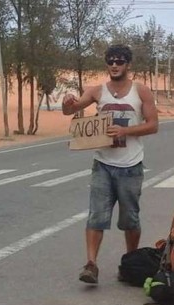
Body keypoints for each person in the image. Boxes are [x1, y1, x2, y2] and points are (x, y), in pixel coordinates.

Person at [61, 44, 159, 284]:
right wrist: (67, 102)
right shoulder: (97, 91)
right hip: (102, 165)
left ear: (128, 64)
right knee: (96, 216)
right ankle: (91, 264)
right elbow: (70, 111)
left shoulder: (141, 91)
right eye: (110, 61)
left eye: (120, 61)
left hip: (130, 167)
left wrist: (125, 130)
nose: (114, 65)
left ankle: (129, 264)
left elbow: (153, 125)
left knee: (130, 220)